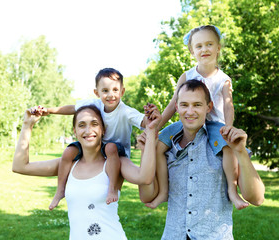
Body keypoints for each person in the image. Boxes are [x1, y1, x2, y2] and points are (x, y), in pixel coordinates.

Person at [139, 80, 265, 239]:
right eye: (184, 105)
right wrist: (146, 149)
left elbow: (257, 198)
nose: (190, 111)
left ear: (209, 107)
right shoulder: (167, 147)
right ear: (176, 107)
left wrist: (240, 152)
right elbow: (147, 196)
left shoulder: (223, 144)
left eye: (197, 105)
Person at [13, 104, 161, 240]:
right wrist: (27, 125)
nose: (88, 130)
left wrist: (150, 134)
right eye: (82, 125)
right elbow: (20, 166)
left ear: (103, 130)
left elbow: (145, 177)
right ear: (75, 131)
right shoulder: (69, 164)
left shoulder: (115, 162)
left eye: (94, 124)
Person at [150, 25, 248, 210]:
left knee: (227, 149)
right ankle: (163, 191)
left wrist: (228, 126)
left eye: (209, 44)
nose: (204, 49)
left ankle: (233, 192)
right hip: (186, 122)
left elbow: (228, 104)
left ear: (218, 47)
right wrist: (156, 127)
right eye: (199, 46)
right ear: (192, 51)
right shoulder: (187, 76)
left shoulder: (223, 79)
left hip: (213, 124)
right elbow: (173, 104)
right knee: (158, 146)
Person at [31, 68, 147, 210]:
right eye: (105, 91)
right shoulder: (96, 104)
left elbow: (145, 122)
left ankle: (112, 188)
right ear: (97, 93)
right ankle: (60, 189)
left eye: (115, 90)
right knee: (68, 152)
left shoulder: (126, 112)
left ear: (122, 92)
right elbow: (72, 108)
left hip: (116, 150)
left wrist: (151, 118)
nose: (111, 95)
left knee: (110, 147)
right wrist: (49, 110)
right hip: (96, 146)